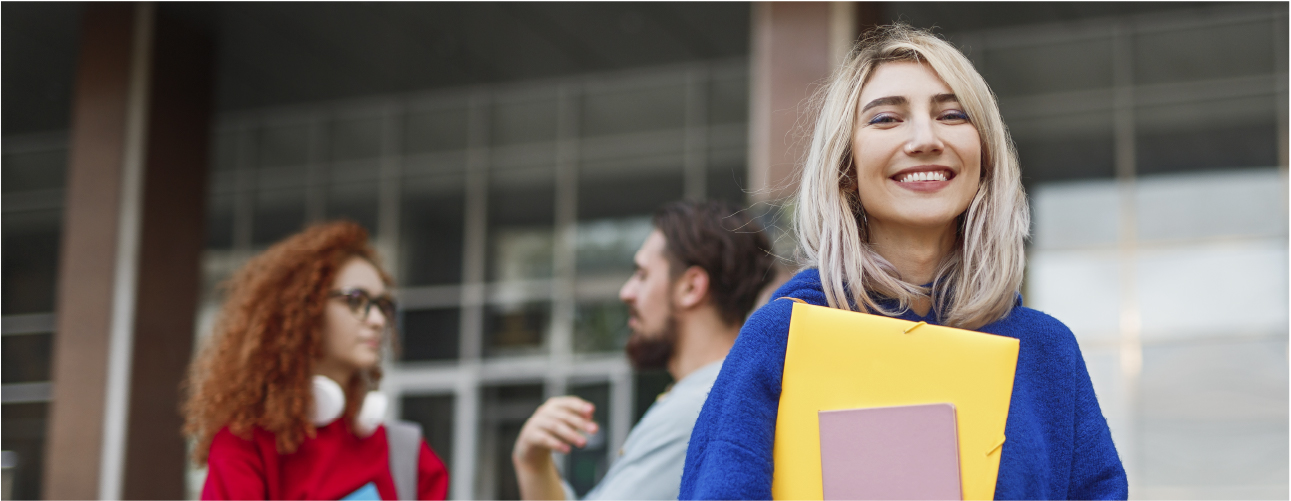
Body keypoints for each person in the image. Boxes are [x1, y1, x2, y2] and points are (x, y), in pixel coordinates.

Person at [679, 25, 1128, 500]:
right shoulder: (783, 337)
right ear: (846, 169)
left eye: (953, 115)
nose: (924, 139)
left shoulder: (1046, 352)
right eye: (886, 119)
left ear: (985, 159)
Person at [511, 200, 776, 500]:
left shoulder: (700, 405)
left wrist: (530, 464)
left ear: (691, 288)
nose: (626, 292)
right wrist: (533, 464)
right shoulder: (723, 393)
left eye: (642, 275)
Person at [183, 221, 449, 500]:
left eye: (383, 305)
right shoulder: (244, 445)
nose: (378, 320)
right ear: (303, 309)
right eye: (355, 300)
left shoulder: (407, 455)